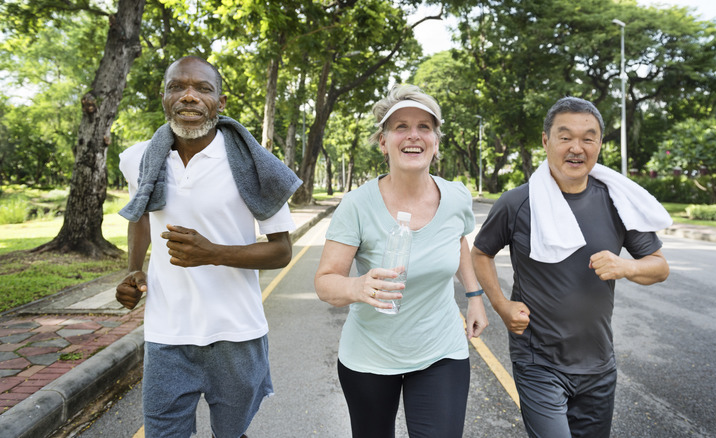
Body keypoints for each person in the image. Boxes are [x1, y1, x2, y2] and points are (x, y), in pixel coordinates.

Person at [115, 55, 302, 438]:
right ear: (163, 96)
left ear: (220, 101)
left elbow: (282, 251)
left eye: (202, 88)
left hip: (236, 334)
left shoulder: (255, 164)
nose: (189, 97)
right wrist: (135, 269)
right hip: (167, 333)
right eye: (177, 87)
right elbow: (141, 215)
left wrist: (213, 253)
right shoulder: (138, 159)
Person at [472, 96, 671, 438]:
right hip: (538, 361)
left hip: (599, 364)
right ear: (546, 141)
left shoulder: (617, 201)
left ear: (599, 145)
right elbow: (480, 253)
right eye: (565, 137)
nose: (576, 147)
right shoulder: (517, 203)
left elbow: (659, 267)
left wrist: (626, 267)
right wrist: (501, 306)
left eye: (588, 138)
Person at [314, 84, 488, 437]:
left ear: (436, 142)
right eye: (401, 127)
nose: (414, 136)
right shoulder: (357, 205)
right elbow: (325, 281)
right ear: (383, 141)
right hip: (370, 357)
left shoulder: (455, 196)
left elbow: (457, 241)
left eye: (424, 127)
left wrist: (474, 296)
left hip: (441, 350)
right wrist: (358, 286)